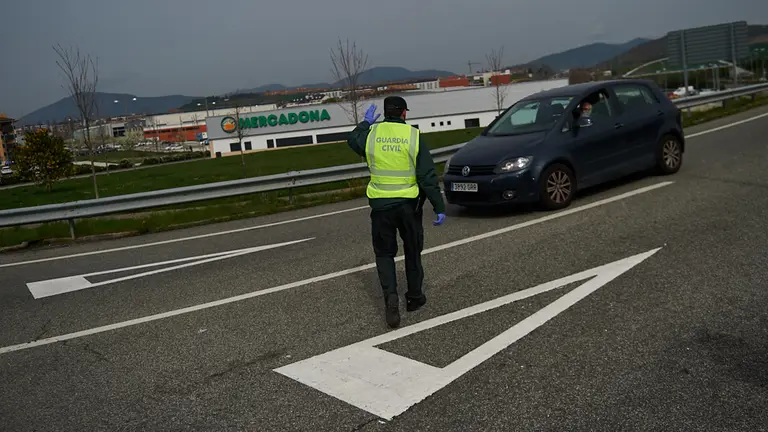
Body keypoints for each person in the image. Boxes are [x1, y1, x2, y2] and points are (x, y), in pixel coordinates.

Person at [347, 96, 446, 328]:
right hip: (409, 206)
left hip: (381, 206)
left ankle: (390, 298)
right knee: (412, 251)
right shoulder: (413, 135)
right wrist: (438, 206)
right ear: (404, 113)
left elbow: (352, 140)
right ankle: (413, 298)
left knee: (384, 254)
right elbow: (427, 176)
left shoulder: (372, 135)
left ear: (385, 113)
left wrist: (365, 123)